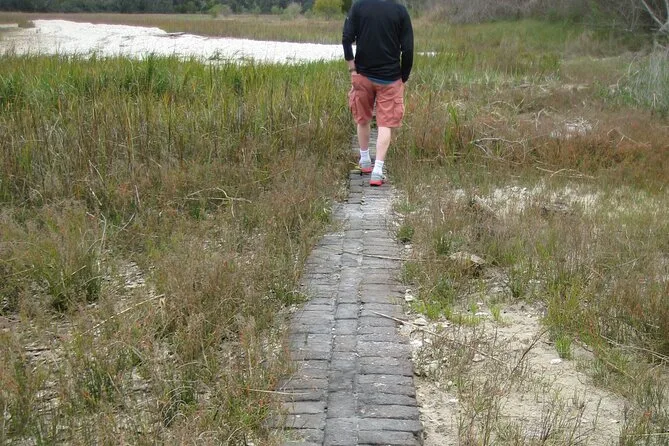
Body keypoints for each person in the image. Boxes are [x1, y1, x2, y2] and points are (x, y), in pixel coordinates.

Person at [342, 0, 413, 186]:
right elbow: (408, 49)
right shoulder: (400, 11)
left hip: (363, 75)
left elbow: (346, 39)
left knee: (362, 118)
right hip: (390, 78)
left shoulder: (359, 6)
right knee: (385, 123)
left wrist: (352, 70)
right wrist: (403, 76)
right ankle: (378, 171)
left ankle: (365, 160)